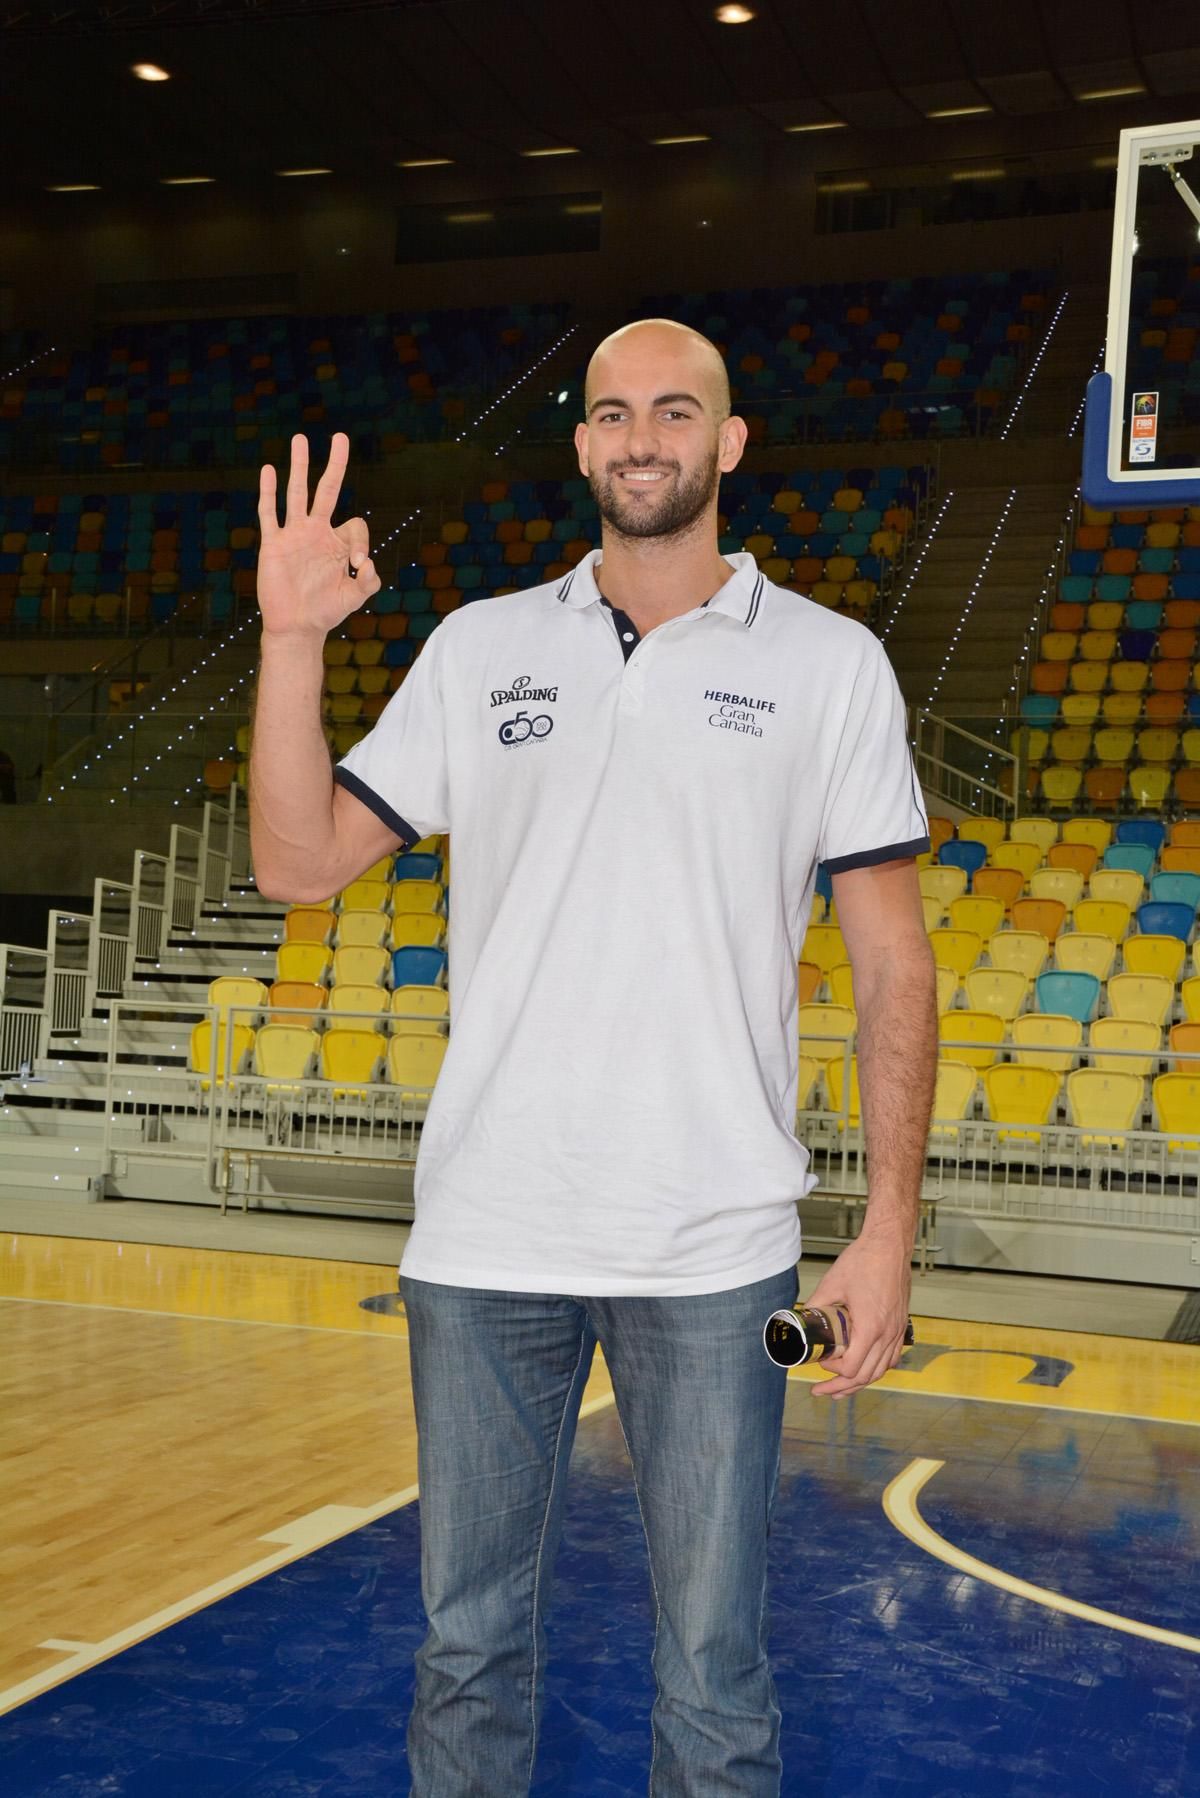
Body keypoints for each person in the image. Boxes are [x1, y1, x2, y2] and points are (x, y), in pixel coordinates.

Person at [250, 319, 938, 1797]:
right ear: (580, 446)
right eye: (613, 412)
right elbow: (298, 860)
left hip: (717, 1253)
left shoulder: (833, 667)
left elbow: (896, 965)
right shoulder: (479, 646)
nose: (642, 437)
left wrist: (886, 1229)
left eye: (675, 410)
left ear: (729, 442)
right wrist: (293, 640)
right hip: (486, 1240)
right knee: (468, 1652)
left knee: (714, 1671)